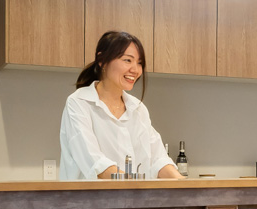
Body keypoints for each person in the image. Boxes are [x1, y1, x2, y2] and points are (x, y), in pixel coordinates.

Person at [59, 30, 182, 180]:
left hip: (133, 194)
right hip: (93, 196)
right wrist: (135, 185)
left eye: (139, 63)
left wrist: (184, 183)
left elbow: (159, 160)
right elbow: (95, 164)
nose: (135, 70)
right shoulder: (79, 102)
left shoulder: (138, 108)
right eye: (127, 60)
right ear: (102, 60)